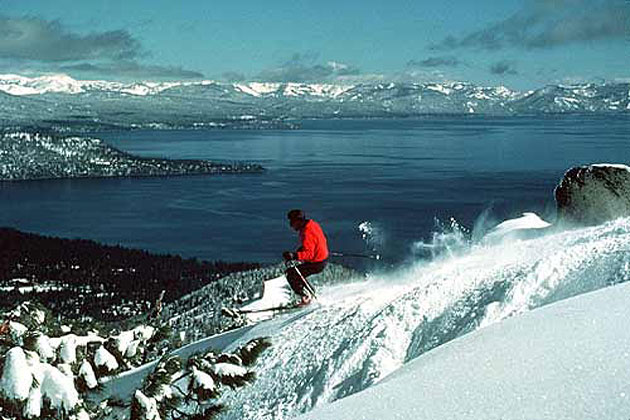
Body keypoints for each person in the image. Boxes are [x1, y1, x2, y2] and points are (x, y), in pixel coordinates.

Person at [282, 209, 329, 306]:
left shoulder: (306, 232)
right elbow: (320, 239)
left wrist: (294, 256)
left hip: (317, 262)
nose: (291, 225)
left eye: (292, 222)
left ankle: (306, 296)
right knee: (297, 274)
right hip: (321, 257)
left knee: (291, 274)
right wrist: (320, 249)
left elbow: (309, 254)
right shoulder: (312, 224)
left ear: (298, 221)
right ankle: (309, 292)